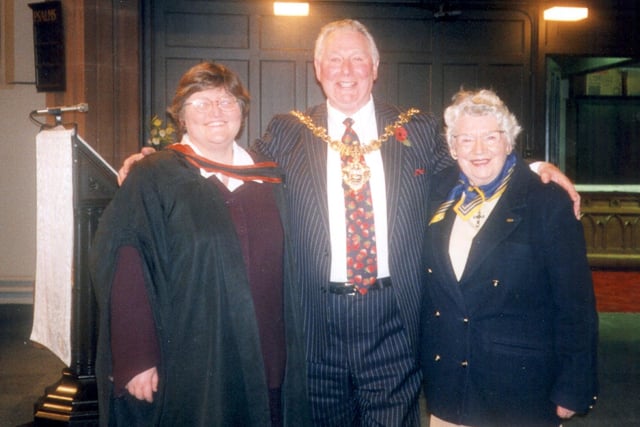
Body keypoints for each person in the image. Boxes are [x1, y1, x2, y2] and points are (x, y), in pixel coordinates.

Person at [118, 20, 580, 426]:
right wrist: (160, 162)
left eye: (357, 60)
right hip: (312, 320)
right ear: (318, 71)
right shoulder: (288, 130)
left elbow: (475, 161)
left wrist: (535, 168)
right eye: (334, 60)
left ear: (375, 68)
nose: (346, 71)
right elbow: (228, 164)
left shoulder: (415, 128)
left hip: (393, 320)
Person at [90, 61, 310, 426]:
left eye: (226, 101)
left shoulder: (270, 177)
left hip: (267, 347)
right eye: (200, 102)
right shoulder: (154, 176)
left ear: (242, 110)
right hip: (194, 352)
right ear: (181, 116)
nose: (215, 111)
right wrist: (136, 356)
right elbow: (126, 260)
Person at [420, 89, 598, 427]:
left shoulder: (546, 201)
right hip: (451, 389)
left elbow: (576, 305)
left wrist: (573, 387)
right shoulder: (438, 192)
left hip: (520, 391)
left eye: (490, 137)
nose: (479, 149)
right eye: (466, 139)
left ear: (508, 141)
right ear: (452, 147)